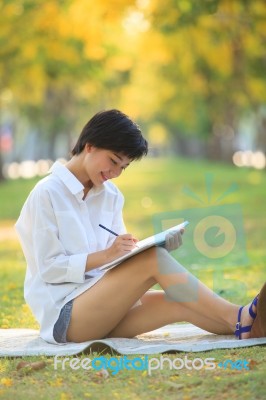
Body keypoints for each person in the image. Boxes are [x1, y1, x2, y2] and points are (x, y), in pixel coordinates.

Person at [15, 109, 266, 344]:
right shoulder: (47, 194)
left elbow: (117, 259)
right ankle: (241, 315)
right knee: (153, 260)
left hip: (103, 304)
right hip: (66, 317)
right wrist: (110, 255)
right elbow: (49, 269)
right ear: (89, 146)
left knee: (179, 298)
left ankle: (251, 329)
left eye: (122, 167)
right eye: (113, 161)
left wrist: (138, 248)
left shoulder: (110, 195)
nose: (115, 173)